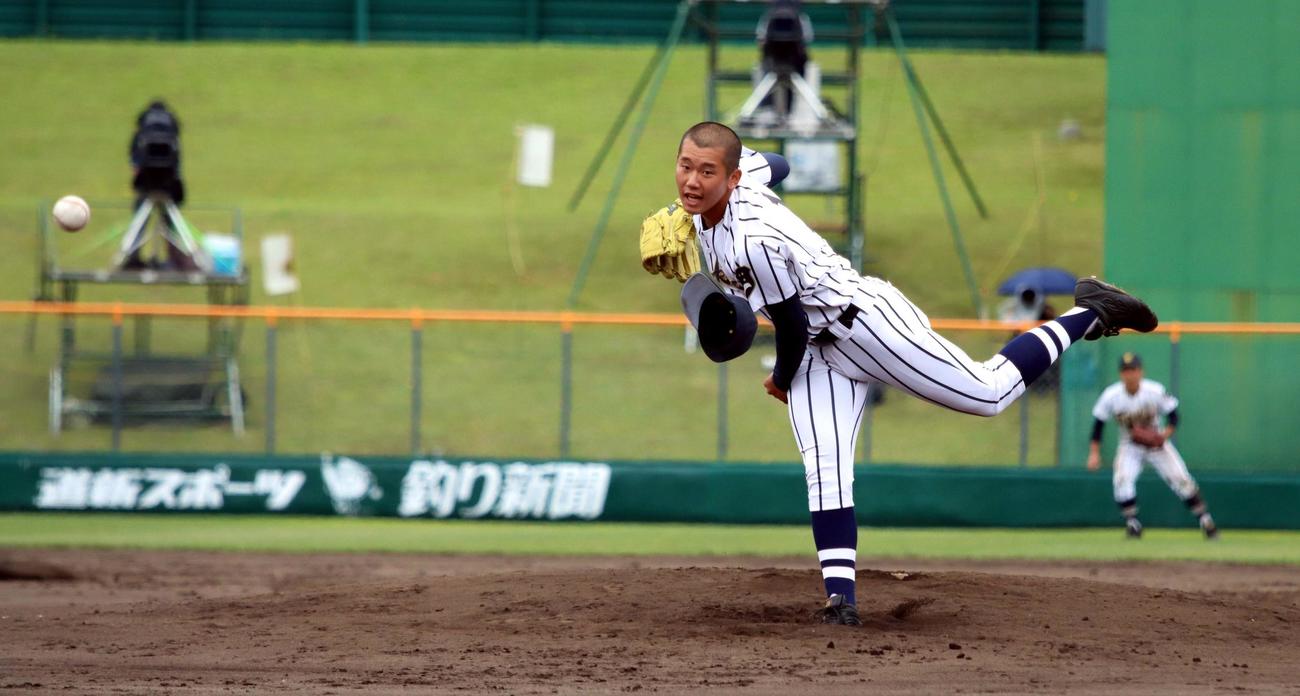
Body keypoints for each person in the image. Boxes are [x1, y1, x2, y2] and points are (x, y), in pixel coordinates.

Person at [661, 121, 1159, 626]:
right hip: (816, 348)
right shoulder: (715, 197)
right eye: (686, 166)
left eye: (708, 171)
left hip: (863, 324)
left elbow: (790, 326)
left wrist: (781, 380)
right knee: (825, 469)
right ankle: (841, 602)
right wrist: (694, 204)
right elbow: (780, 164)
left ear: (733, 177)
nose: (692, 180)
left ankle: (1089, 312)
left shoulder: (754, 238)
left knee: (988, 393)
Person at [1087, 352, 1217, 540]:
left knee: (1181, 479)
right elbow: (1098, 424)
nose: (1130, 374)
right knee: (1122, 480)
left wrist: (1163, 436)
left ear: (1141, 372)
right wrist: (1094, 453)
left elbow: (1174, 416)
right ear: (1121, 374)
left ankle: (1206, 521)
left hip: (1157, 444)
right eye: (1126, 370)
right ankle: (1133, 524)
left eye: (1133, 370)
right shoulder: (1111, 395)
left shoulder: (1154, 391)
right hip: (1129, 445)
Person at [125, 100, 195, 270]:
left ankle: (132, 257)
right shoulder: (172, 135)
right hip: (167, 183)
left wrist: (140, 173)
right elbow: (176, 163)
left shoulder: (140, 134)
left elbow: (135, 161)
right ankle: (177, 259)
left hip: (146, 184)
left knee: (140, 218)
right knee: (169, 221)